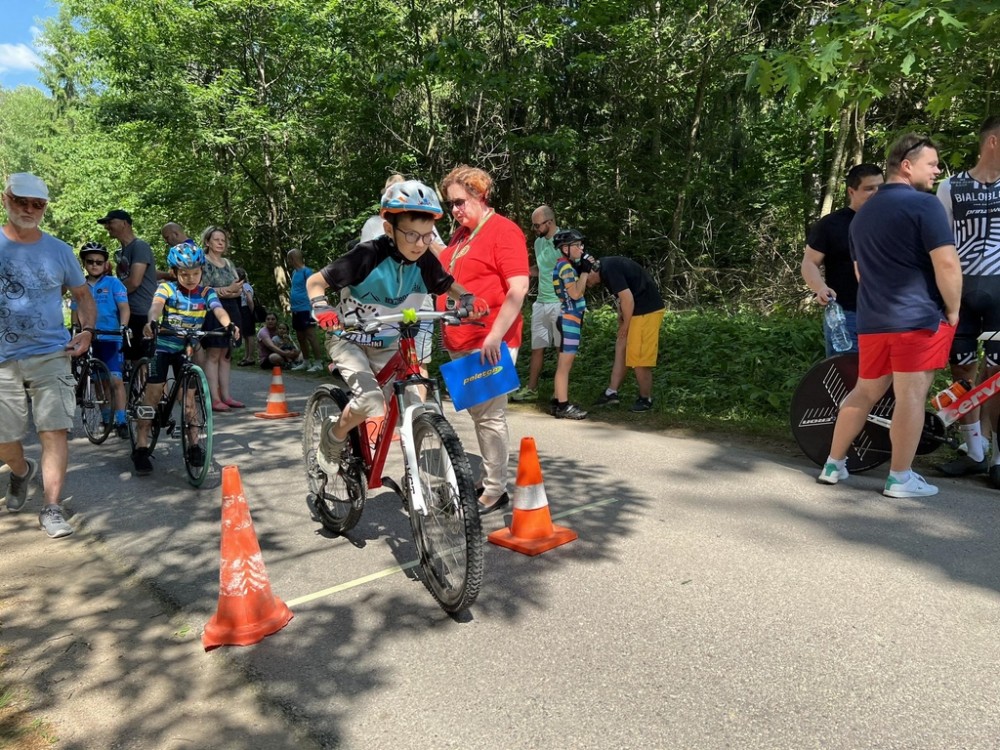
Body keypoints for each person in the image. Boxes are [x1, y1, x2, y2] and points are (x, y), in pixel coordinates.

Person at [306, 179, 486, 483]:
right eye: (412, 234)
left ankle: (415, 480)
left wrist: (467, 298)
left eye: (427, 236)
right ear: (389, 229)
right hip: (350, 339)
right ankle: (333, 437)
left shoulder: (424, 260)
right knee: (371, 401)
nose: (420, 243)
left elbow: (447, 285)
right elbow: (315, 282)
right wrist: (322, 307)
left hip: (389, 341)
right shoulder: (367, 255)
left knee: (416, 405)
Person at [817, 133, 961, 498]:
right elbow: (946, 263)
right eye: (932, 164)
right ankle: (900, 478)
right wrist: (954, 309)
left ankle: (833, 464)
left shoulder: (862, 216)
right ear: (907, 166)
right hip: (917, 319)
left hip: (873, 321)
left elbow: (860, 273)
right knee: (911, 396)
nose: (937, 171)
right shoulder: (925, 205)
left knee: (864, 391)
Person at [0, 173, 96, 539]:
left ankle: (52, 508)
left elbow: (82, 296)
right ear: (6, 199)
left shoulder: (59, 250)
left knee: (54, 429)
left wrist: (87, 330)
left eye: (37, 204)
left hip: (51, 352)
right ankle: (21, 470)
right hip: (2, 358)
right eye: (21, 201)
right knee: (4, 437)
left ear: (44, 208)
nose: (29, 209)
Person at [436, 166, 530, 514]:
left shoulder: (503, 231)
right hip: (460, 338)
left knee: (490, 415)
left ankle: (494, 490)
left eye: (460, 201)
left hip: (491, 338)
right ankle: (489, 478)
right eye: (450, 204)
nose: (455, 210)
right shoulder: (460, 237)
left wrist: (495, 335)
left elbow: (518, 287)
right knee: (479, 414)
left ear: (480, 194)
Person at [131, 243, 240, 475]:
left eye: (195, 273)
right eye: (184, 274)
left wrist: (229, 325)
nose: (190, 278)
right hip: (162, 347)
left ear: (201, 271)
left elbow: (218, 309)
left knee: (189, 400)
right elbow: (156, 307)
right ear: (174, 272)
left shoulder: (206, 292)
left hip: (186, 348)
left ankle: (194, 445)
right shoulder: (166, 289)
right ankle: (141, 446)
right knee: (153, 394)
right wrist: (152, 321)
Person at [935, 116, 1000, 481]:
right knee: (961, 369)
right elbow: (939, 243)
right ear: (992, 142)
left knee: (998, 373)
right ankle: (973, 449)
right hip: (960, 290)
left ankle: (998, 458)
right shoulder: (950, 186)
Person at [801, 164, 885, 355]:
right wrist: (820, 288)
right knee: (846, 371)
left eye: (880, 187)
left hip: (889, 316)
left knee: (888, 374)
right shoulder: (830, 225)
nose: (876, 193)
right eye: (869, 188)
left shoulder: (894, 220)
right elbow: (809, 262)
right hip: (846, 316)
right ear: (851, 191)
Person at [586, 255, 665, 412]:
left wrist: (626, 325)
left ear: (589, 270)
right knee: (621, 348)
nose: (588, 285)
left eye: (586, 280)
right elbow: (622, 298)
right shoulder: (605, 267)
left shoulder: (608, 269)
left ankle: (645, 399)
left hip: (646, 311)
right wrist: (621, 316)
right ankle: (611, 393)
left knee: (638, 356)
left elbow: (627, 299)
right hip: (635, 312)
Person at [72, 241, 130, 438]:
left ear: (105, 264)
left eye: (99, 262)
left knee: (115, 380)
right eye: (90, 262)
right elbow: (75, 312)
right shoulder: (79, 286)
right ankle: (106, 418)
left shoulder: (114, 283)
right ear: (84, 264)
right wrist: (75, 330)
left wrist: (123, 327)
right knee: (99, 382)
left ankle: (121, 420)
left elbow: (124, 308)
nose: (94, 265)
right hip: (89, 339)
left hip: (111, 337)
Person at [510, 204, 562, 403]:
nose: (535, 229)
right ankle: (531, 389)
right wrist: (521, 272)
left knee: (561, 349)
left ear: (550, 222)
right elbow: (542, 268)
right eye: (533, 225)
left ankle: (560, 393)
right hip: (541, 302)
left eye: (537, 225)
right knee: (537, 348)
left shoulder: (565, 240)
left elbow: (571, 269)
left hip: (559, 303)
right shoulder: (539, 242)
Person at [99, 209, 157, 361]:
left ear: (124, 223)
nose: (106, 227)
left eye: (110, 222)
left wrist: (109, 294)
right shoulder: (121, 252)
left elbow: (134, 282)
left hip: (141, 311)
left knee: (141, 362)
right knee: (128, 359)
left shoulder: (140, 246)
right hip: (127, 311)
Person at [198, 226, 244, 411]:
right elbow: (201, 289)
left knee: (226, 354)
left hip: (232, 308)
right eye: (216, 239)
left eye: (223, 240)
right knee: (213, 354)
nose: (220, 243)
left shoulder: (228, 263)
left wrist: (229, 292)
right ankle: (214, 398)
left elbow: (238, 288)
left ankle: (226, 396)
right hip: (212, 310)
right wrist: (227, 290)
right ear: (207, 242)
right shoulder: (202, 262)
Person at [550, 228, 591, 419]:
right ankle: (563, 406)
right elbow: (575, 294)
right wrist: (585, 272)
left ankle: (557, 401)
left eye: (581, 245)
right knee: (564, 367)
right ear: (565, 248)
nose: (581, 248)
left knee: (562, 365)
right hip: (569, 320)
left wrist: (582, 270)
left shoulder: (565, 265)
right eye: (577, 245)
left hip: (568, 318)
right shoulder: (565, 267)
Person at [286, 248, 325, 372]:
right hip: (296, 309)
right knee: (300, 337)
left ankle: (318, 363)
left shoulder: (307, 272)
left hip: (306, 309)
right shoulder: (294, 272)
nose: (288, 261)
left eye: (289, 259)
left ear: (293, 259)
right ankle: (306, 361)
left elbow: (314, 288)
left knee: (311, 336)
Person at [235, 267, 258, 366]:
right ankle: (246, 356)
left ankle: (250, 357)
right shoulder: (240, 287)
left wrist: (251, 312)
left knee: (249, 335)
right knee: (245, 335)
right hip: (243, 311)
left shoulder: (246, 286)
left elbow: (249, 300)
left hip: (246, 310)